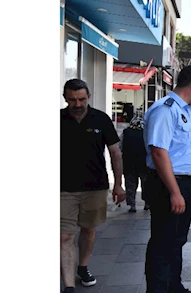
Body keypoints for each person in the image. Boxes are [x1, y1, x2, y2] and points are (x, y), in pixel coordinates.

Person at [143, 65, 191, 293]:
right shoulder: (166, 110)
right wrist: (174, 191)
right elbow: (159, 152)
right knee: (163, 243)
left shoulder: (183, 111)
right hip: (167, 185)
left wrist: (190, 177)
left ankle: (174, 287)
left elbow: (178, 151)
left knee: (177, 240)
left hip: (182, 182)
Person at [60, 78, 126, 293]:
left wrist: (119, 184)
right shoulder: (57, 119)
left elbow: (115, 153)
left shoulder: (102, 119)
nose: (77, 105)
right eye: (72, 100)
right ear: (65, 99)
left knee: (88, 230)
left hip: (95, 187)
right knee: (65, 236)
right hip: (63, 189)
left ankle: (83, 266)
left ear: (88, 96)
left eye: (81, 99)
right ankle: (69, 285)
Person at [121, 115, 150, 212]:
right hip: (144, 163)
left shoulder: (126, 133)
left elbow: (119, 146)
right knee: (146, 184)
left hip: (129, 163)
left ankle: (131, 204)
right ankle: (147, 203)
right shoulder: (147, 133)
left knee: (130, 184)